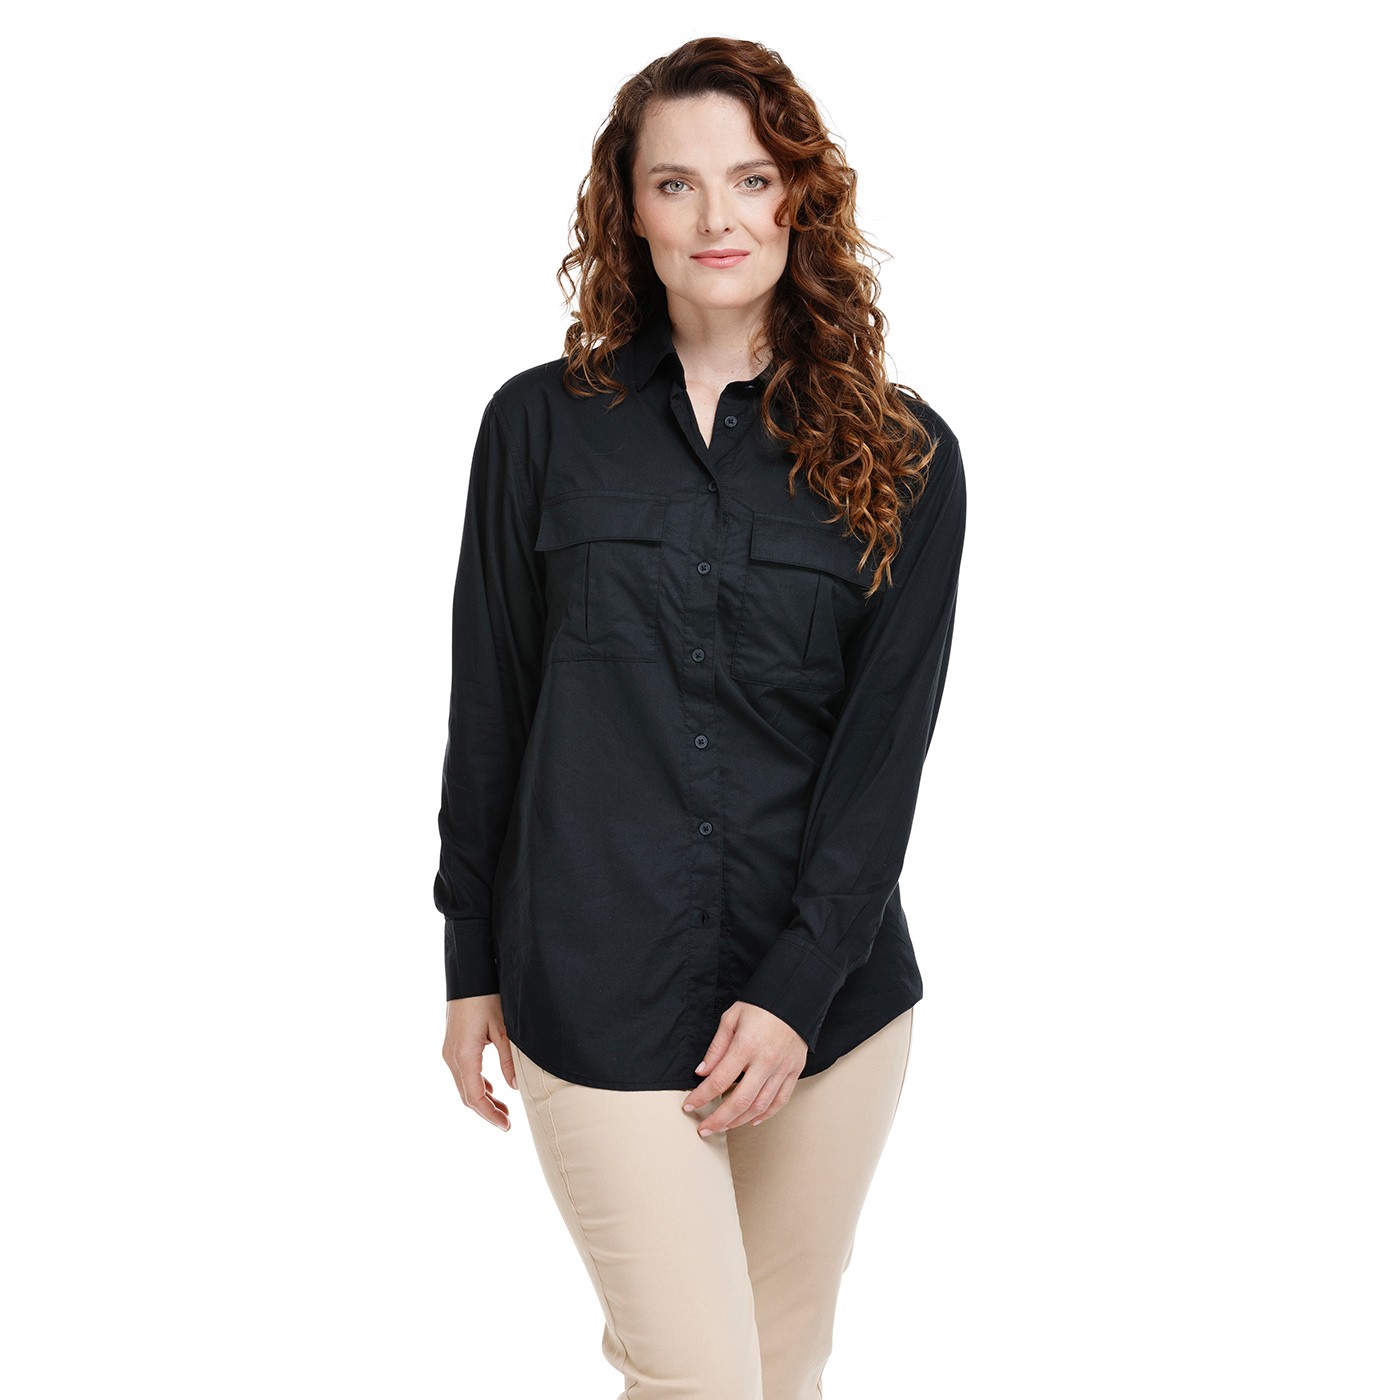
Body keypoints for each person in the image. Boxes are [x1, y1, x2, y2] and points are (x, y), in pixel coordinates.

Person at [435, 35, 968, 1400]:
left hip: (830, 1007)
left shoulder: (908, 456)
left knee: (777, 1373)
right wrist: (468, 956)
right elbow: (492, 702)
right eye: (675, 183)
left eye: (751, 177)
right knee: (700, 1378)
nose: (716, 217)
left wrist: (795, 991)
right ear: (630, 210)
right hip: (591, 980)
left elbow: (884, 759)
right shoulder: (538, 429)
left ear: (801, 196)